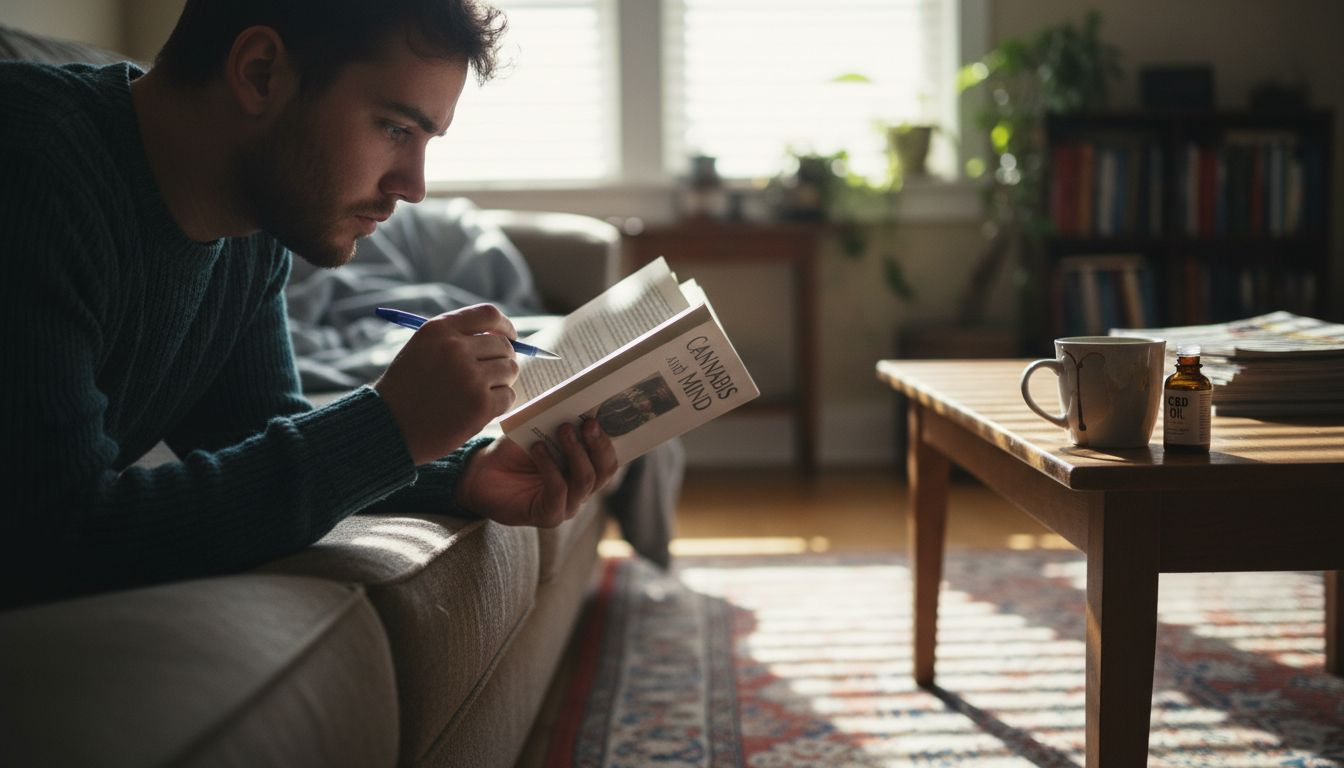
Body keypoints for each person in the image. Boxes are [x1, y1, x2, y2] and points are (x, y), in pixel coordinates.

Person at [0, 0, 618, 608]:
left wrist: (460, 473)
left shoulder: (249, 229)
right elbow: (55, 537)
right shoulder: (32, 168)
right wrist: (390, 425)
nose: (414, 186)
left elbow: (250, 430)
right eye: (395, 128)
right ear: (261, 71)